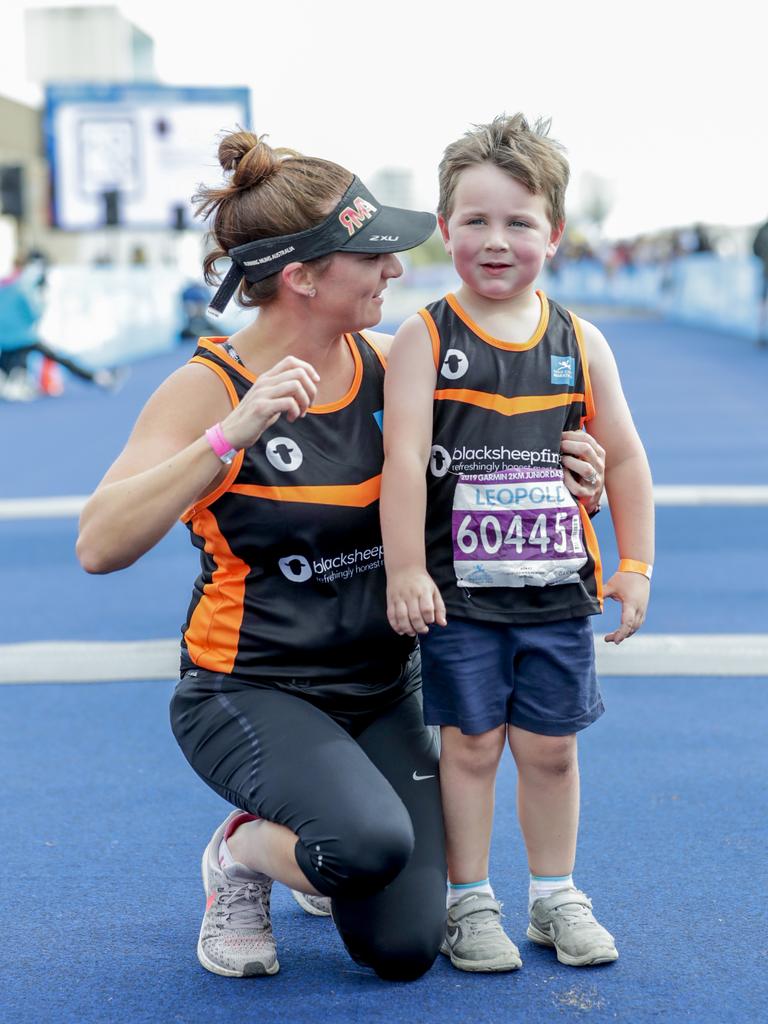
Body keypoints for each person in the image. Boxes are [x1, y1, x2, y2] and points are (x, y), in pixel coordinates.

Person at [76, 129, 606, 982]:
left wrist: (579, 472)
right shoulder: (207, 385)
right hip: (250, 689)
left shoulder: (396, 361)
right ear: (303, 275)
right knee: (363, 846)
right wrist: (229, 435)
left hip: (384, 685)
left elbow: (497, 464)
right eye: (376, 256)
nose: (397, 271)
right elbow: (99, 544)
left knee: (403, 949)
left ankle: (328, 840)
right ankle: (245, 855)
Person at [380, 114, 654, 974]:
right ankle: (469, 901)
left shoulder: (580, 340)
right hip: (460, 596)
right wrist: (406, 569)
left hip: (557, 590)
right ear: (445, 227)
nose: (496, 241)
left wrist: (636, 563)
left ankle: (554, 895)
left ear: (555, 233)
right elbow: (400, 459)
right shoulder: (426, 337)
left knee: (551, 748)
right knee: (469, 746)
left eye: (519, 223)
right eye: (475, 221)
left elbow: (630, 457)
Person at [0, 255, 124, 400]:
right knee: (58, 358)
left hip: (5, 339)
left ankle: (16, 384)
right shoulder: (24, 287)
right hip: (22, 338)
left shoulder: (5, 285)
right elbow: (35, 313)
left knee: (11, 367)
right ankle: (100, 378)